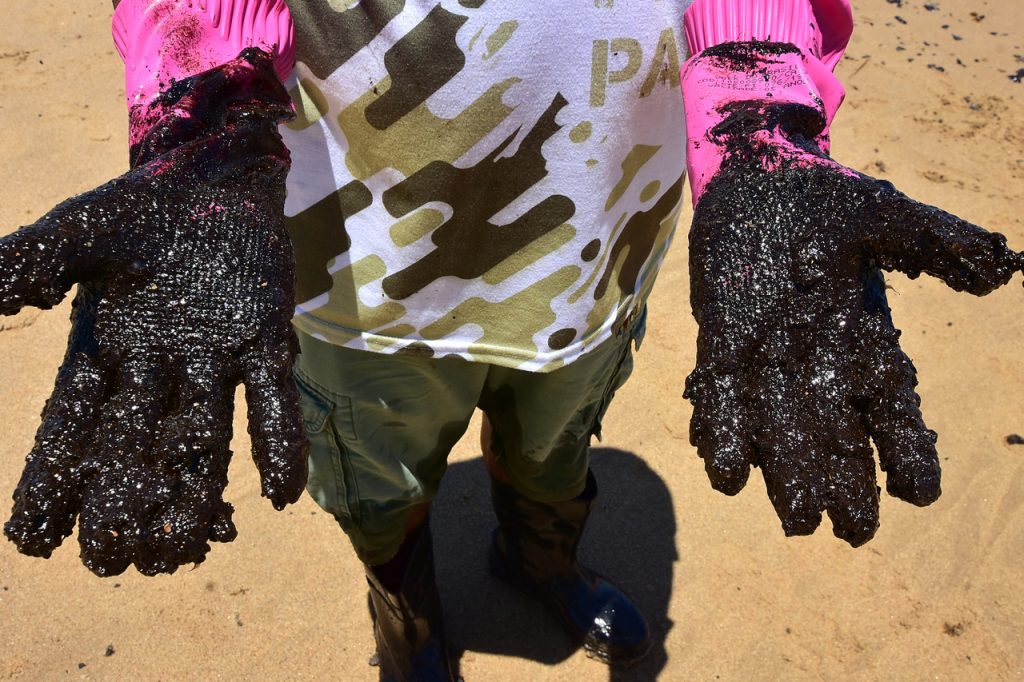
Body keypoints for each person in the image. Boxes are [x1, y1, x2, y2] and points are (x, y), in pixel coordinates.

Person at [1, 1, 1020, 681]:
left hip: (593, 249)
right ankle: (410, 623)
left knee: (554, 449)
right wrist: (203, 129)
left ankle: (539, 560)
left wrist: (762, 119)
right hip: (362, 280)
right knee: (379, 484)